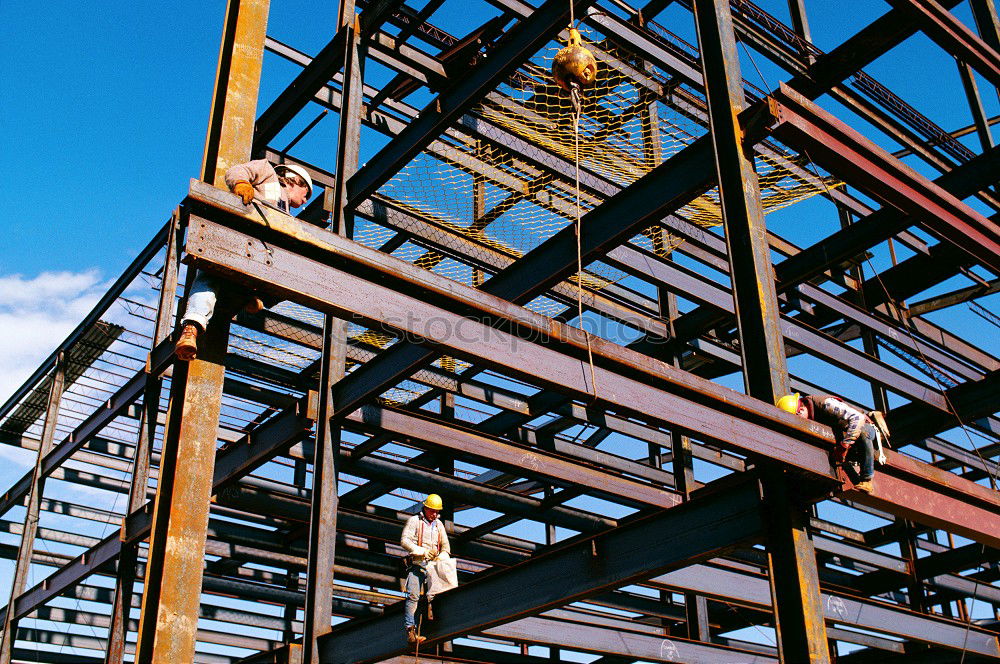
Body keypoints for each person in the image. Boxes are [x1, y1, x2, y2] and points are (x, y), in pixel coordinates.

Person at [175, 161, 313, 361]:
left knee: (293, 275)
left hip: (258, 257)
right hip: (235, 240)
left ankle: (255, 296)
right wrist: (241, 183)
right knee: (210, 277)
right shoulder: (266, 172)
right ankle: (191, 328)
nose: (306, 200)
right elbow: (236, 171)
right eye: (306, 193)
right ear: (294, 180)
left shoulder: (285, 214)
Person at [777, 392, 877, 493]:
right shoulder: (814, 417)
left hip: (864, 428)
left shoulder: (826, 404)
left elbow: (858, 418)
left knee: (864, 432)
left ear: (801, 410)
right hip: (845, 437)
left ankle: (867, 479)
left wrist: (844, 445)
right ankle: (857, 481)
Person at [400, 493, 450, 646]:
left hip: (433, 566)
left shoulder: (439, 525)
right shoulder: (415, 521)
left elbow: (446, 547)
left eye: (437, 511)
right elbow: (404, 541)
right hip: (417, 564)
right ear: (426, 508)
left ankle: (434, 623)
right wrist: (421, 551)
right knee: (413, 596)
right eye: (432, 511)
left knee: (435, 595)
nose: (435, 514)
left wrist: (441, 556)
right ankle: (410, 630)